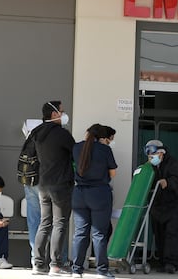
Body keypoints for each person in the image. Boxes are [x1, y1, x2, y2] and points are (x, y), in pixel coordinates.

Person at [32, 101, 75, 276]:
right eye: (62, 112)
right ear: (53, 114)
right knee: (60, 223)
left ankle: (38, 264)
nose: (64, 115)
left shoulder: (37, 132)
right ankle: (55, 265)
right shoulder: (62, 134)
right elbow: (76, 152)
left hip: (43, 184)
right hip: (60, 185)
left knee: (45, 223)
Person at [71, 124, 117, 278]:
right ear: (102, 137)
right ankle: (102, 271)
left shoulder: (76, 148)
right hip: (99, 194)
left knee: (80, 233)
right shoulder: (105, 150)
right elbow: (113, 173)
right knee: (99, 234)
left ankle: (77, 270)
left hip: (79, 195)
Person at [144, 139, 178, 274]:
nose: (151, 158)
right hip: (156, 206)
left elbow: (176, 180)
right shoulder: (151, 166)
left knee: (171, 235)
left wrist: (167, 182)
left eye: (152, 155)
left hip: (171, 206)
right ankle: (162, 262)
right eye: (149, 156)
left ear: (161, 153)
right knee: (159, 235)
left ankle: (171, 263)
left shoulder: (172, 163)